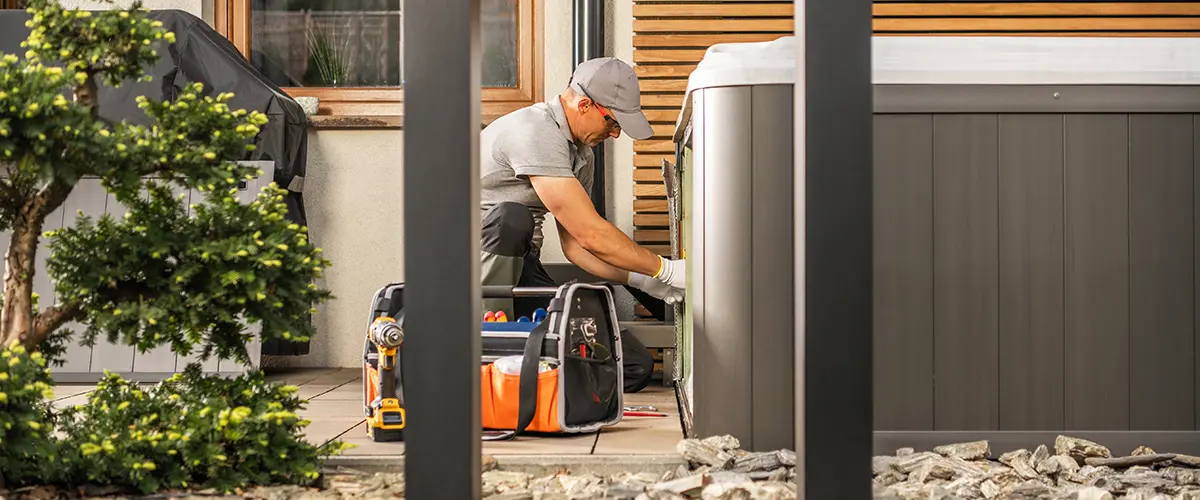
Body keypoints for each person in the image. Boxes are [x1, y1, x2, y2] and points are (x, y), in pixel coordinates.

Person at [477, 57, 685, 393]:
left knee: (630, 364)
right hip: (470, 269)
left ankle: (530, 371)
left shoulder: (580, 155)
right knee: (511, 218)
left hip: (519, 267)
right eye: (613, 123)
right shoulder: (535, 132)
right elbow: (591, 233)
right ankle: (486, 347)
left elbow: (577, 246)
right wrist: (666, 270)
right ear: (584, 104)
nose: (615, 135)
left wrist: (644, 281)